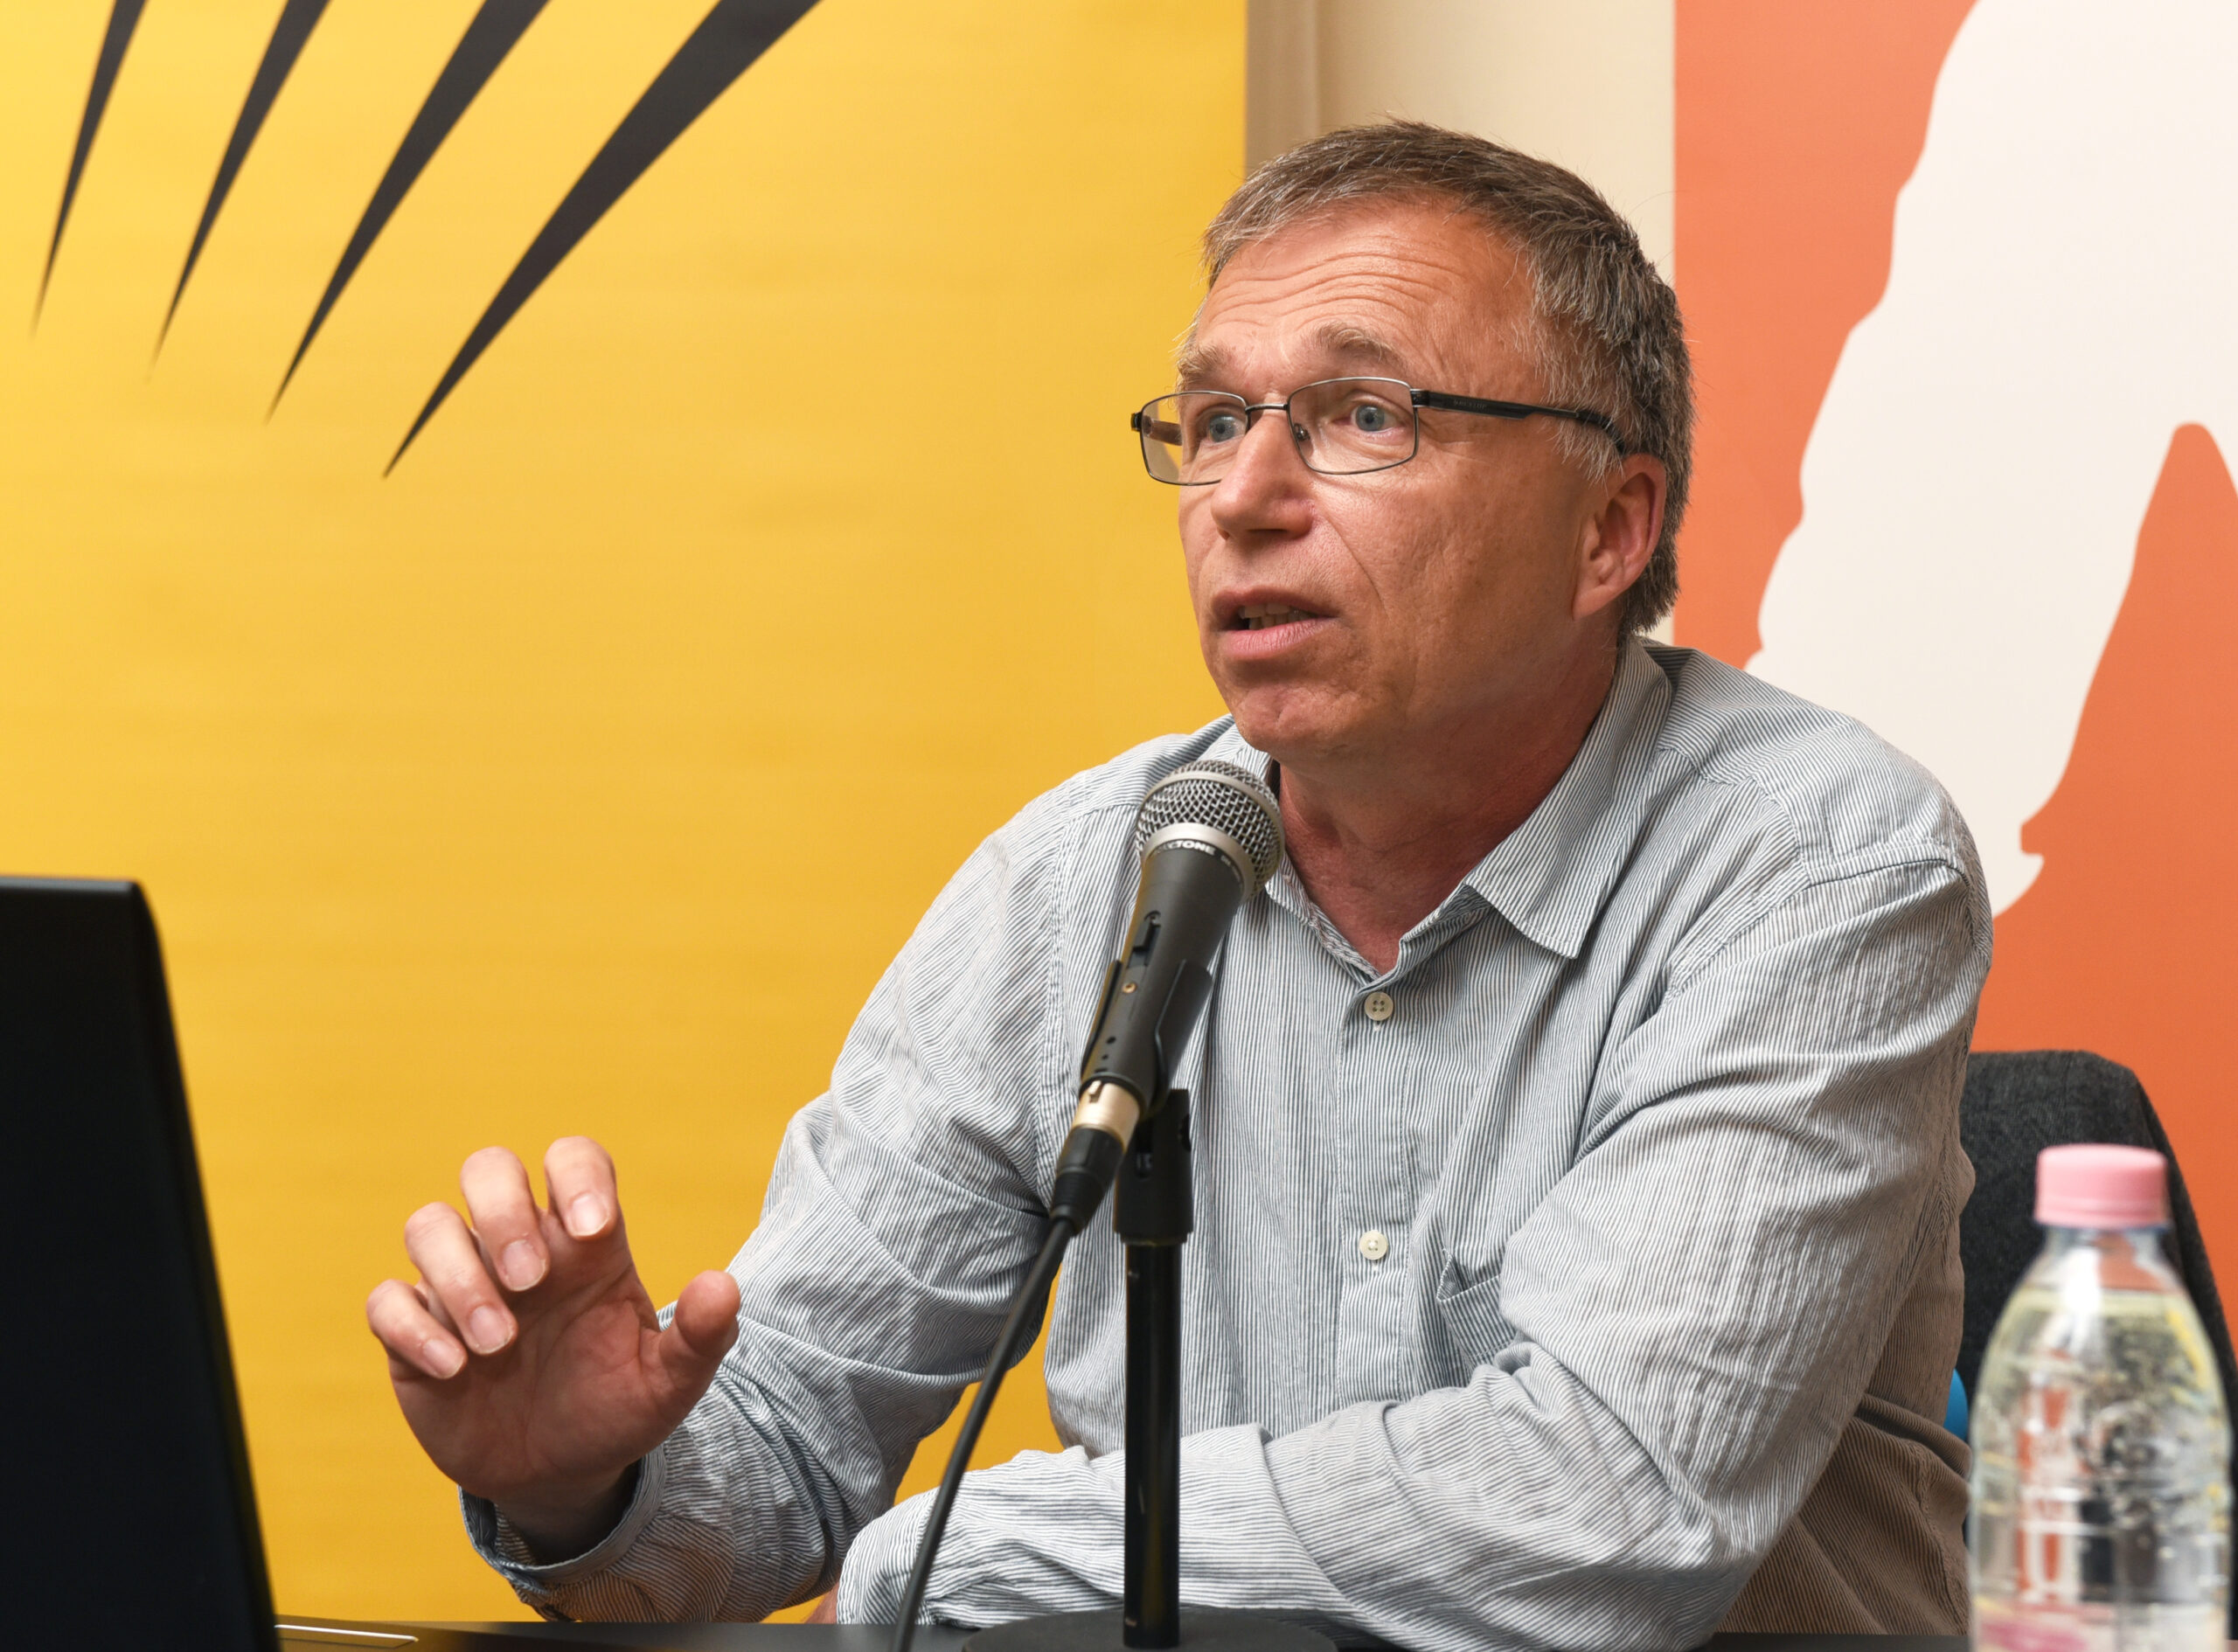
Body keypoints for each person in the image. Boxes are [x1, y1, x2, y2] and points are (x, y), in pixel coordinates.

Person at [366, 122, 1988, 1647]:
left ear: (1609, 529)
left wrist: (969, 1556)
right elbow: (788, 1441)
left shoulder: (1822, 860)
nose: (1244, 501)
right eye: (1213, 423)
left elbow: (1607, 1502)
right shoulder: (1083, 878)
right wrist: (585, 1478)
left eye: (1364, 416)